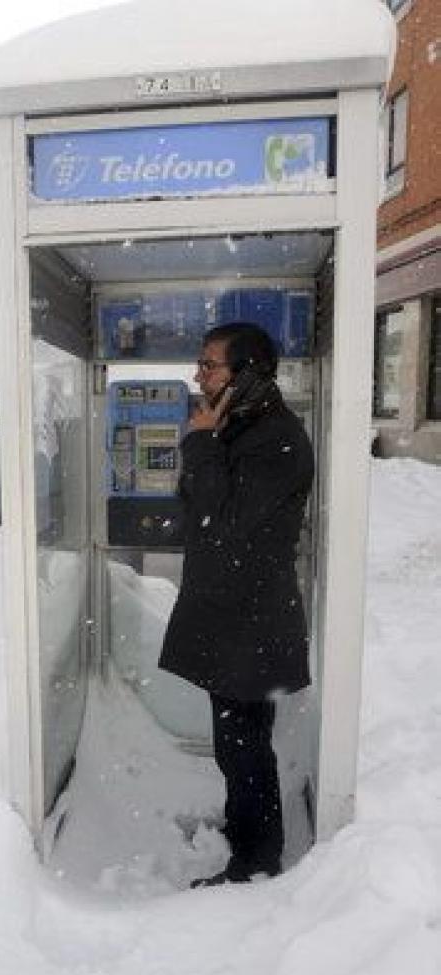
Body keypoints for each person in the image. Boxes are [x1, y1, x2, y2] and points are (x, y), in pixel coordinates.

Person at [158, 322, 314, 885]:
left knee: (245, 745)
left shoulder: (276, 437)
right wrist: (206, 441)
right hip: (232, 614)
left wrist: (200, 441)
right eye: (199, 364)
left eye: (209, 365)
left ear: (245, 373)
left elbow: (221, 522)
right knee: (236, 739)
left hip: (252, 618)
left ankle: (255, 861)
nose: (198, 376)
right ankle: (245, 830)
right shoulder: (238, 426)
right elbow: (195, 501)